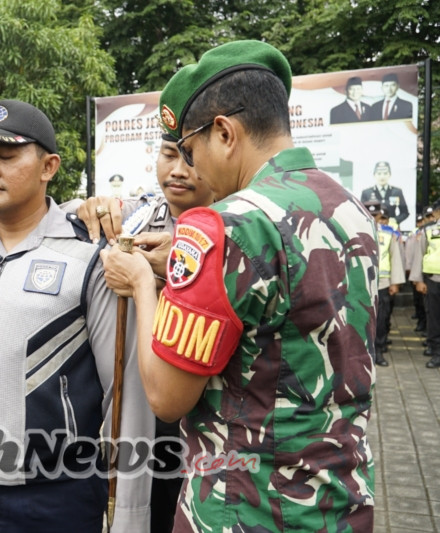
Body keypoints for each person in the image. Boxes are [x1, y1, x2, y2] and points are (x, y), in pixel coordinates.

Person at [102, 41, 377, 530]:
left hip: (246, 506)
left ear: (225, 132)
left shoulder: (222, 226)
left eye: (190, 150)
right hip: (337, 499)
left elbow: (166, 396)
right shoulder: (347, 207)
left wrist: (144, 284)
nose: (190, 168)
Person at [0, 99, 150, 533]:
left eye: (6, 156)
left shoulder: (90, 258)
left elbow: (127, 393)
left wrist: (130, 518)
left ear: (49, 167)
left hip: (60, 494)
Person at [69, 132, 215, 533]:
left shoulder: (232, 224)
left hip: (206, 407)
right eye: (169, 155)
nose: (179, 170)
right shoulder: (136, 215)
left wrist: (152, 279)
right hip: (141, 404)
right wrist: (93, 207)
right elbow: (73, 216)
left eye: (190, 158)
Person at [365, 201, 404, 366]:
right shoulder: (354, 230)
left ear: (381, 215)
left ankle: (378, 351)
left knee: (381, 319)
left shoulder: (389, 233)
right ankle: (364, 353)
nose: (374, 218)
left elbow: (395, 258)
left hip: (382, 282)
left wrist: (395, 282)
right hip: (362, 283)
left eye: (376, 215)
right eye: (371, 215)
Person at [409, 203, 440, 368]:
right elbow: (420, 255)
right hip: (433, 279)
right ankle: (436, 353)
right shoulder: (427, 230)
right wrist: (419, 280)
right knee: (434, 318)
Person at [359, 161, 409, 226]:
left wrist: (395, 220)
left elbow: (405, 213)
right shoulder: (366, 192)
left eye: (385, 173)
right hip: (373, 227)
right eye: (379, 174)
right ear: (374, 175)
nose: (382, 177)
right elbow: (362, 213)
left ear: (390, 175)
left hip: (391, 229)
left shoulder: (397, 192)